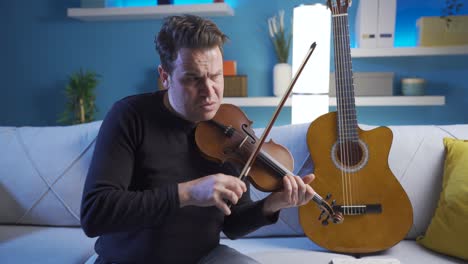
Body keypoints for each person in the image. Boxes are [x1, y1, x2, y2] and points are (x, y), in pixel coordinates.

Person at [80, 14, 316, 264]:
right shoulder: (129, 116)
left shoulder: (231, 126)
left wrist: (273, 203)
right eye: (193, 79)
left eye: (216, 76)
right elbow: (96, 213)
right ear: (165, 76)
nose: (209, 91)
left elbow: (233, 224)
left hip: (203, 257)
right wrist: (189, 192)